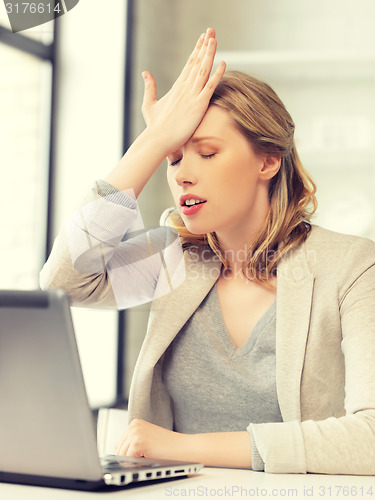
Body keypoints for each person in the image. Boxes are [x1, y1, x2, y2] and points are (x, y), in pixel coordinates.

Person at [40, 28, 375, 474]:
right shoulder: (176, 259)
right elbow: (66, 281)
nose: (182, 176)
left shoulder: (351, 267)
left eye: (208, 153)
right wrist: (153, 141)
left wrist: (180, 447)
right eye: (175, 159)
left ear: (268, 160)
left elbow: (370, 438)